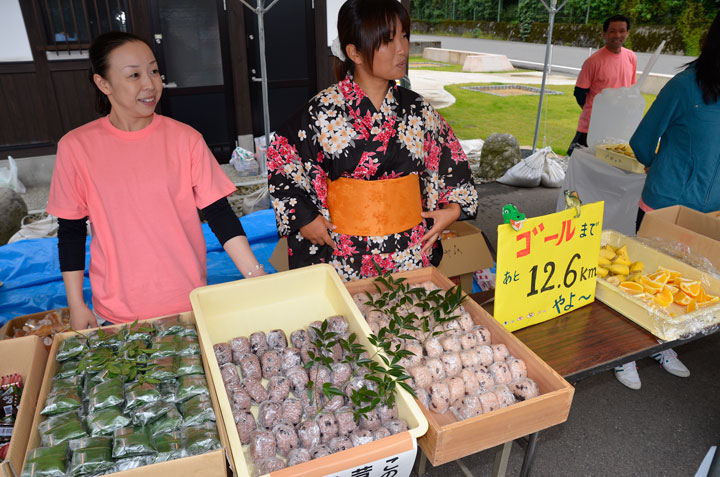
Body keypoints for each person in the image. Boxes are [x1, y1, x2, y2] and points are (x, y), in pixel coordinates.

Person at [46, 31, 267, 329]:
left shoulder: (185, 139)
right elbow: (70, 230)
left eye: (153, 71)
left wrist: (256, 275)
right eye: (134, 75)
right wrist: (76, 304)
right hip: (116, 311)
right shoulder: (75, 148)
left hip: (186, 301)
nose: (150, 84)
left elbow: (219, 213)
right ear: (103, 83)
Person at [267, 0, 478, 281]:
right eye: (388, 41)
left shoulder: (418, 109)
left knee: (408, 320)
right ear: (354, 51)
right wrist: (304, 217)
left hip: (409, 251)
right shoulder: (322, 111)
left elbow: (449, 157)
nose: (402, 49)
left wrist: (452, 209)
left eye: (404, 36)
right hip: (343, 254)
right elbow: (282, 155)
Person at [614, 12, 720, 390]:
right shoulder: (684, 86)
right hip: (665, 203)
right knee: (644, 278)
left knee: (684, 284)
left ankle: (661, 344)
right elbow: (642, 142)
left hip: (708, 212)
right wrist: (666, 168)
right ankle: (626, 353)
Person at [567, 15, 637, 156]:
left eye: (622, 31)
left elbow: (631, 89)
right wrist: (598, 112)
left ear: (628, 33)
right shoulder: (593, 62)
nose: (617, 35)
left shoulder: (631, 57)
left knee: (608, 168)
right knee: (577, 163)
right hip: (591, 127)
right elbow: (579, 93)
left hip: (618, 126)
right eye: (612, 31)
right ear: (604, 34)